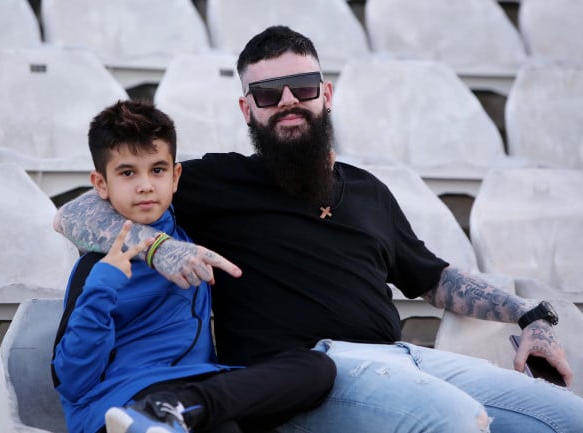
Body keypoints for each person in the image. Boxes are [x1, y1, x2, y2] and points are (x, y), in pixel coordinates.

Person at [54, 27, 583, 433]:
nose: (287, 99)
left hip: (407, 359)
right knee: (455, 422)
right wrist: (160, 248)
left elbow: (436, 278)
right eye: (267, 93)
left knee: (565, 418)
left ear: (325, 94)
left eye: (302, 87)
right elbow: (73, 214)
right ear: (246, 109)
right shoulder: (214, 181)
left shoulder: (370, 190)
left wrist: (528, 313)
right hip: (312, 371)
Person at [51, 99, 336, 433]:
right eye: (127, 173)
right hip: (121, 401)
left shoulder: (191, 237)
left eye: (157, 170)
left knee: (317, 367)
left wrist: (310, 172)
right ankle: (167, 412)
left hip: (199, 390)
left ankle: (179, 409)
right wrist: (103, 285)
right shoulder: (97, 266)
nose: (145, 185)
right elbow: (72, 382)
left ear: (175, 177)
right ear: (101, 184)